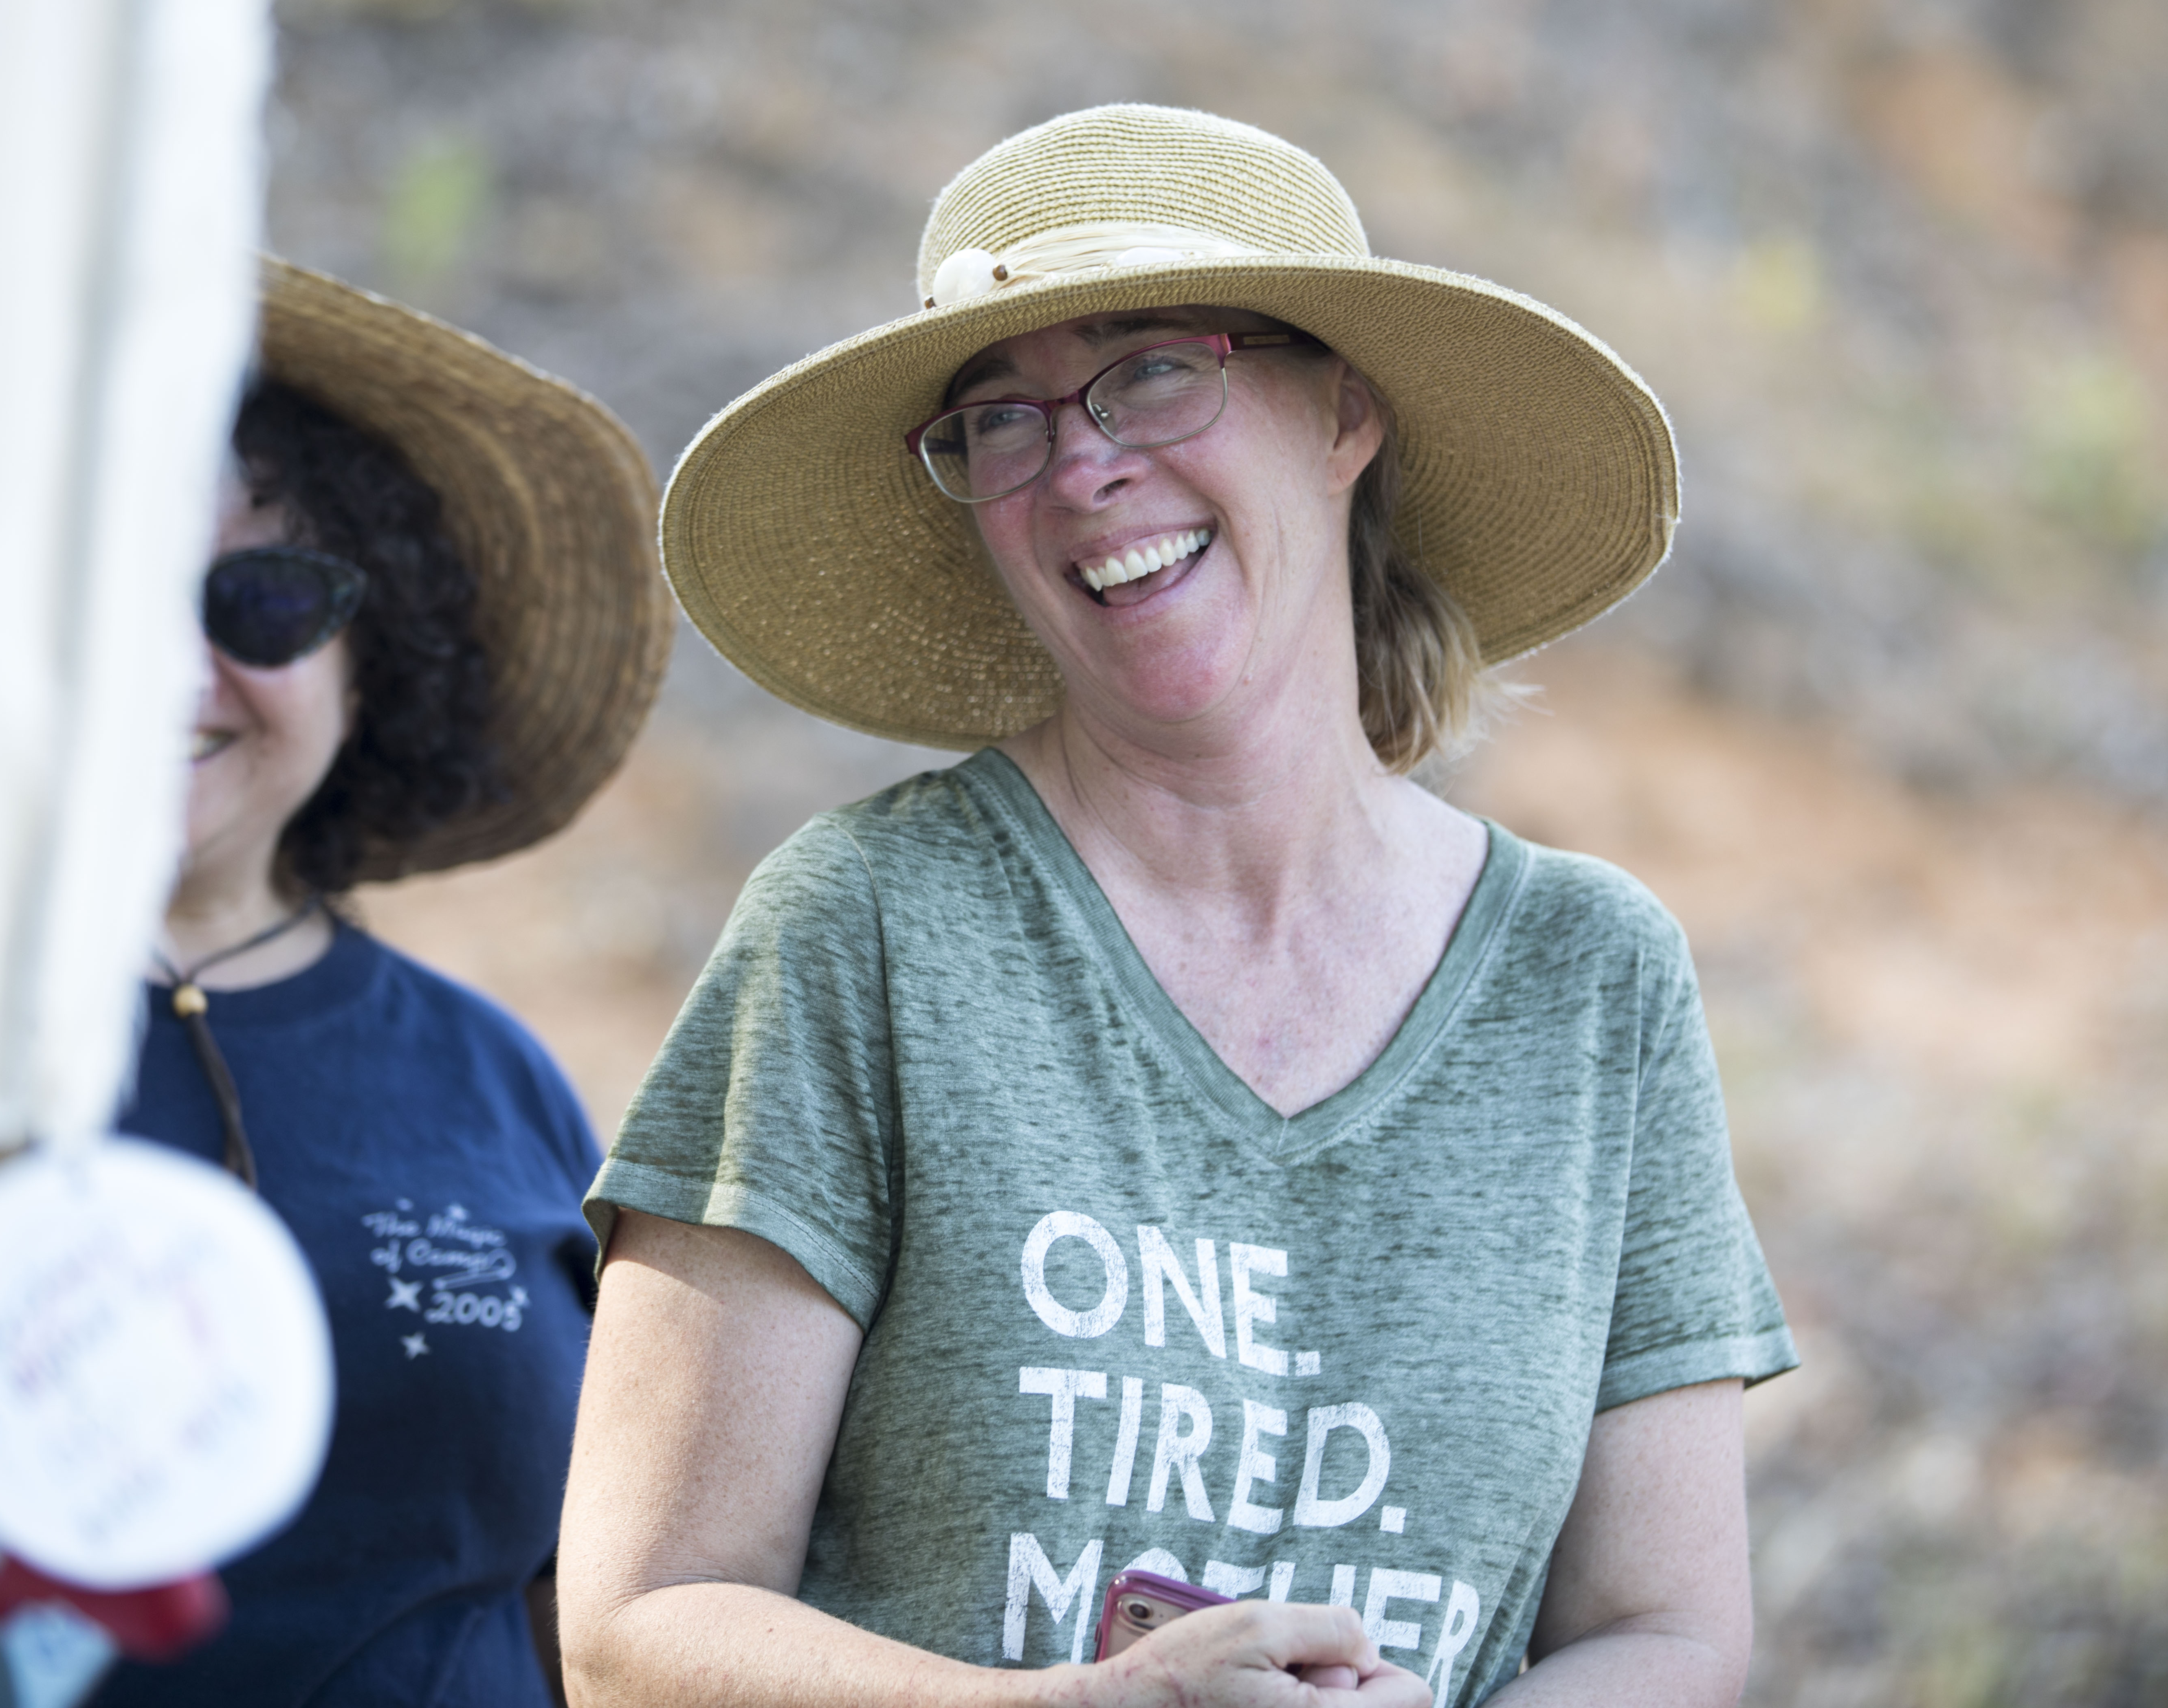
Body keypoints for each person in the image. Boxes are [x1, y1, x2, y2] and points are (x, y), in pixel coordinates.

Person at [561, 106, 1797, 1708]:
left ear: (1344, 412)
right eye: (1001, 421)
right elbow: (635, 1632)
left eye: (1151, 371)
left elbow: (1670, 1631)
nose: (1082, 464)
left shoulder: (1591, 981)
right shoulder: (866, 933)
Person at [97, 258, 667, 1708]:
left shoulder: (495, 1078)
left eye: (263, 598)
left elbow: (597, 1601)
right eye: (111, 584)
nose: (178, 670)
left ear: (374, 658)